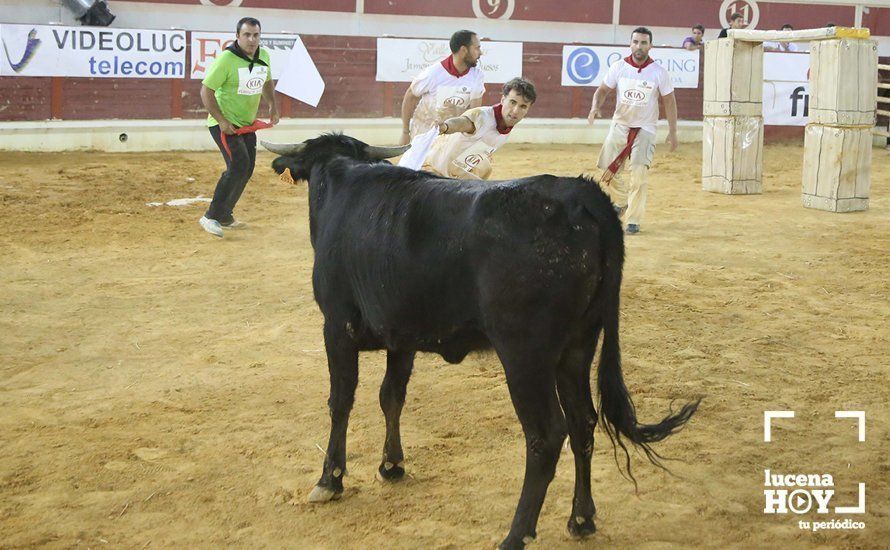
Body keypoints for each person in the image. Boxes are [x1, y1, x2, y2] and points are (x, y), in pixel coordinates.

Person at [587, 27, 678, 235]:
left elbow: (670, 102)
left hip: (645, 128)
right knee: (605, 168)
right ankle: (621, 200)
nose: (639, 46)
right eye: (635, 42)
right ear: (630, 44)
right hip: (620, 124)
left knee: (639, 176)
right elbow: (602, 90)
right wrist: (595, 107)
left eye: (643, 43)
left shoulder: (658, 72)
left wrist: (673, 131)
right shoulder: (619, 67)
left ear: (650, 46)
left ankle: (634, 219)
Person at [198, 16, 279, 238]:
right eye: (247, 35)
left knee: (247, 168)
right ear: (237, 36)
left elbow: (266, 81)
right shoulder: (226, 59)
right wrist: (222, 121)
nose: (252, 40)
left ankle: (225, 215)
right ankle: (211, 216)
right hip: (223, 124)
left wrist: (272, 104)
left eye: (256, 35)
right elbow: (206, 91)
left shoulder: (263, 55)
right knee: (238, 165)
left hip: (246, 124)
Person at [422, 77, 536, 180]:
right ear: (502, 100)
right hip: (433, 170)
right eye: (512, 102)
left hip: (457, 171)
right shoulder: (481, 117)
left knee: (485, 167)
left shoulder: (505, 126)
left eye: (523, 106)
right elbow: (462, 123)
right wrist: (446, 127)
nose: (515, 111)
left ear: (528, 109)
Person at [399, 30, 485, 146]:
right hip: (424, 136)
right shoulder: (433, 74)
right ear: (464, 50)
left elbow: (474, 112)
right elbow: (410, 96)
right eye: (477, 48)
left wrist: (474, 137)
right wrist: (405, 132)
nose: (480, 53)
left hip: (453, 138)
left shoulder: (477, 75)